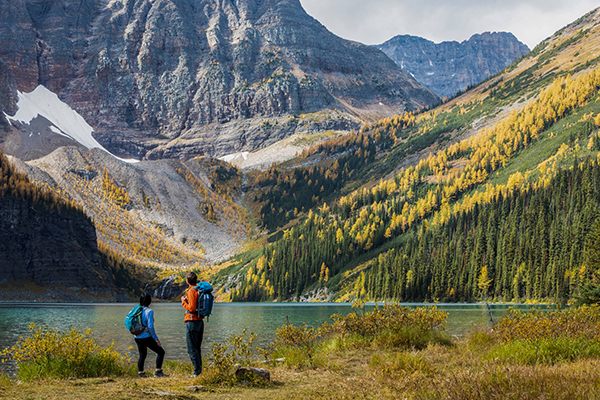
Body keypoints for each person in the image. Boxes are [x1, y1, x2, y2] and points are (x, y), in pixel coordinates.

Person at [134, 293, 168, 378]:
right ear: (149, 301)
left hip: (137, 336)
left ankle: (140, 373)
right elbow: (150, 327)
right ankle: (158, 372)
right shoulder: (149, 311)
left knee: (142, 355)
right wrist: (156, 339)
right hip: (146, 337)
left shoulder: (137, 310)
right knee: (161, 352)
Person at [181, 271, 204, 377]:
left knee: (191, 348)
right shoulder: (198, 290)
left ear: (187, 281)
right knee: (197, 347)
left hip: (192, 321)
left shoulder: (191, 291)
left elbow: (192, 308)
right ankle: (199, 370)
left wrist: (183, 302)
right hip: (199, 321)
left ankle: (196, 372)